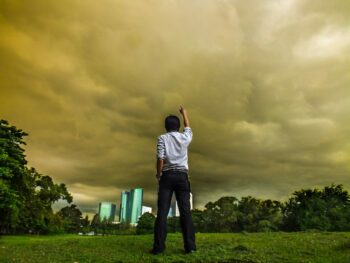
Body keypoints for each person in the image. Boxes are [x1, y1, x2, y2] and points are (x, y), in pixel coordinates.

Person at [151, 106, 197, 255]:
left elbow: (160, 158)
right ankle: (190, 247)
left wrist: (159, 174)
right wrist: (184, 113)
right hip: (182, 177)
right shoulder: (185, 137)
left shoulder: (162, 138)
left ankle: (158, 248)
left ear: (165, 127)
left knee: (162, 212)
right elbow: (188, 127)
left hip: (167, 177)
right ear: (178, 127)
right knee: (186, 213)